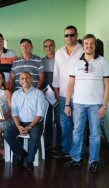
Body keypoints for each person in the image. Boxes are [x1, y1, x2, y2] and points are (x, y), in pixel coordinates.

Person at [63, 34, 109, 172]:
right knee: (77, 132)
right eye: (86, 43)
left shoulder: (103, 62)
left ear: (95, 45)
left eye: (92, 44)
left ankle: (94, 160)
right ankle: (75, 158)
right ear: (82, 46)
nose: (89, 46)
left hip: (96, 105)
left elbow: (107, 85)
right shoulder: (76, 63)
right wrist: (67, 104)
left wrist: (104, 105)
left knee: (95, 134)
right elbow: (70, 84)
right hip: (78, 104)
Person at [4, 72, 47, 171]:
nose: (24, 80)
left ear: (31, 79)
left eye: (27, 78)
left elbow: (39, 114)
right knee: (7, 133)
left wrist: (30, 127)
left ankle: (30, 160)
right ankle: (20, 153)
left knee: (35, 136)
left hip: (35, 123)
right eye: (22, 78)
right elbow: (14, 113)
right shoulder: (15, 94)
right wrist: (18, 126)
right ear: (19, 81)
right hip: (20, 122)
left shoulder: (38, 93)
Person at [52, 26, 84, 158]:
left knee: (78, 124)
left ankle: (78, 151)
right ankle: (66, 150)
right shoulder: (59, 52)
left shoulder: (83, 50)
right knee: (64, 123)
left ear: (76, 35)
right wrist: (55, 90)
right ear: (64, 36)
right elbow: (56, 72)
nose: (69, 37)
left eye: (71, 35)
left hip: (79, 95)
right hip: (64, 94)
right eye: (66, 35)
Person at [41, 39, 62, 151]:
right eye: (46, 46)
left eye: (50, 46)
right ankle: (48, 142)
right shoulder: (42, 61)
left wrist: (58, 91)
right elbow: (41, 77)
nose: (48, 48)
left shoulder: (59, 60)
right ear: (44, 48)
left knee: (58, 121)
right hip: (46, 95)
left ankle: (59, 143)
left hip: (58, 94)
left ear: (54, 46)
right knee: (47, 120)